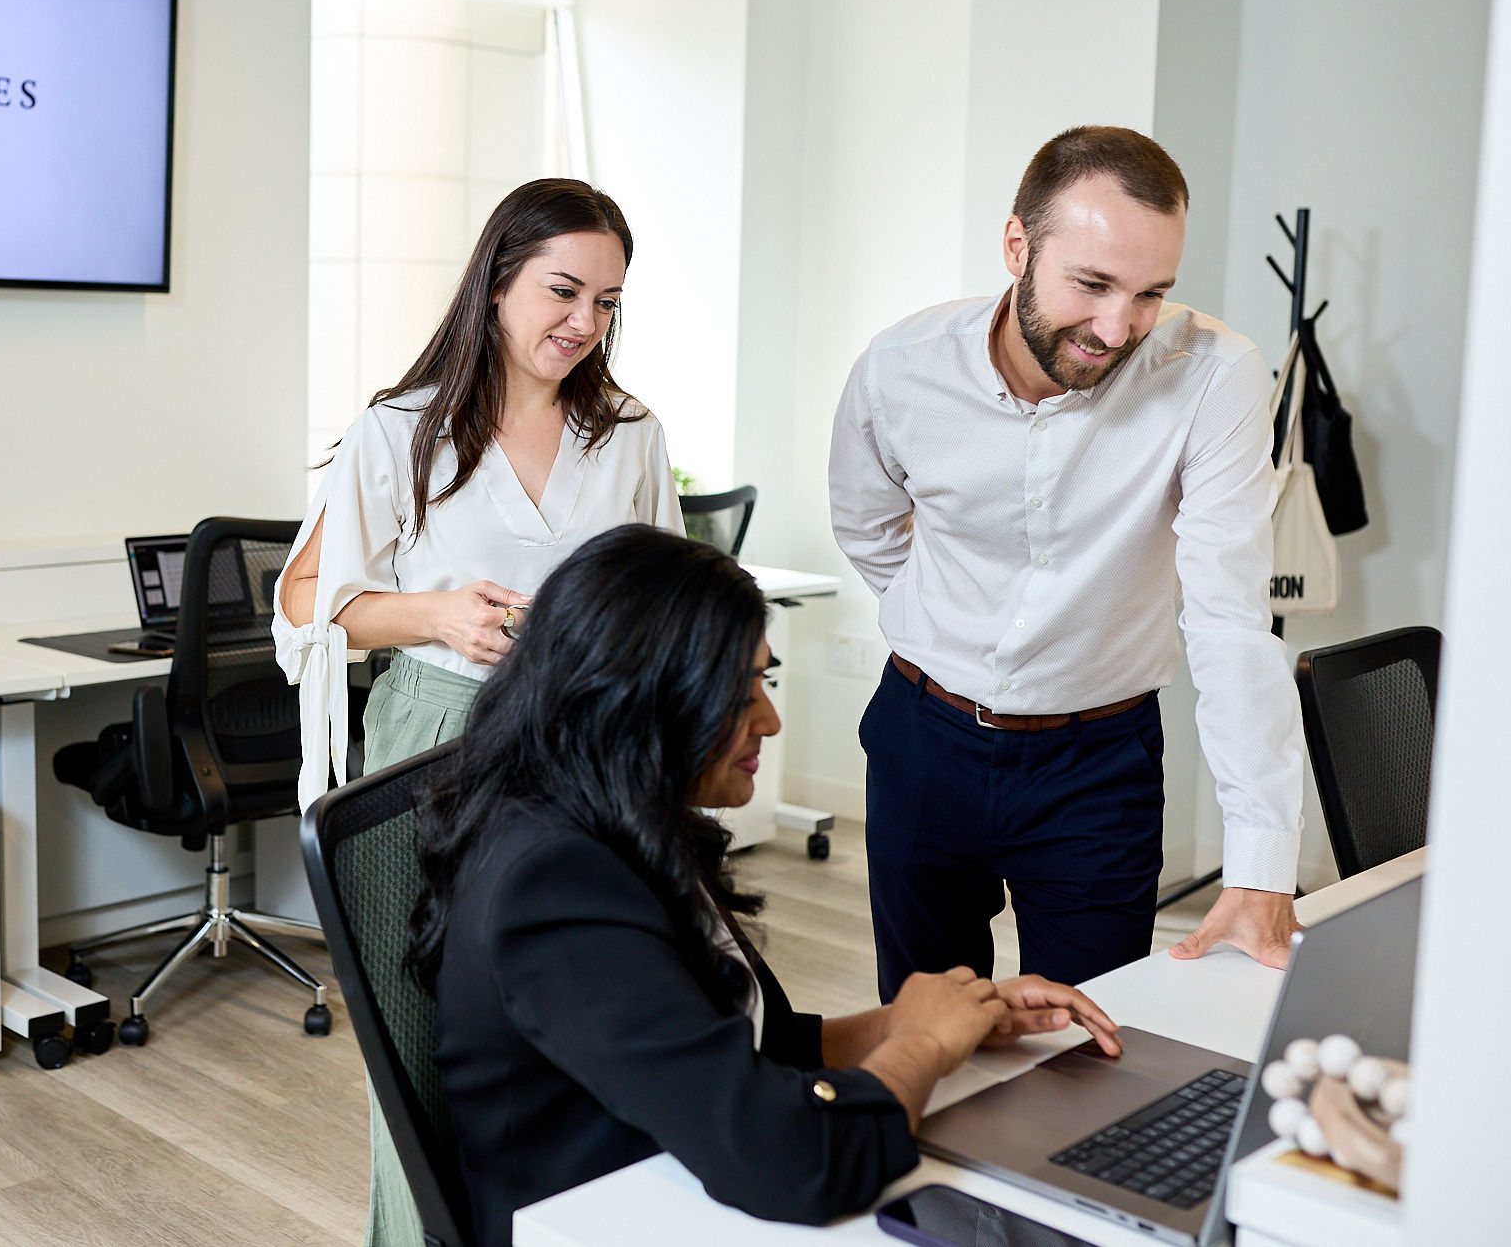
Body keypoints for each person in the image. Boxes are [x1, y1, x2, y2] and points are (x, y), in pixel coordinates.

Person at [408, 526, 1121, 1247]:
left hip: (682, 1185)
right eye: (742, 691)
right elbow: (794, 1161)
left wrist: (941, 1018)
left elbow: (754, 1042)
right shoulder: (554, 882)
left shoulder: (617, 818)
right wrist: (923, 1048)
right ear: (644, 697)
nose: (770, 719)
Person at [273, 178, 683, 1247]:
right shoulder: (399, 428)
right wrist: (435, 615)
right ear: (498, 281)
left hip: (585, 762)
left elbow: (665, 597)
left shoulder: (629, 433)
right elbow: (307, 603)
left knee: (579, 1025)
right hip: (434, 746)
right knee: (421, 1037)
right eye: (561, 290)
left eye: (606, 302)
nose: (581, 323)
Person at [829, 125, 1308, 1001]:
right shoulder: (901, 367)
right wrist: (945, 624)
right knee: (928, 1033)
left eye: (1150, 293)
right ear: (1018, 246)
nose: (1117, 326)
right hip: (921, 743)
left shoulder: (1215, 377)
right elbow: (866, 524)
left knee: (1095, 1048)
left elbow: (1228, 617)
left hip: (1097, 769)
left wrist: (1262, 860)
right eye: (1091, 284)